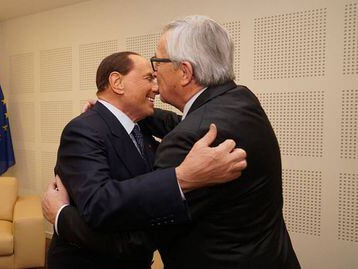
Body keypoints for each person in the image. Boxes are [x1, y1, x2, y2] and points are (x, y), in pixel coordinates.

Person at [46, 15, 302, 268]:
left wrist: (60, 216)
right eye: (148, 77)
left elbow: (136, 239)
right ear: (117, 82)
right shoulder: (241, 101)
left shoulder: (193, 139)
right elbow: (184, 122)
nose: (156, 83)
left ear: (185, 72)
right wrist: (119, 108)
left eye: (157, 64)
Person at [44, 51, 247, 269]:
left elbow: (189, 126)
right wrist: (61, 217)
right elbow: (98, 204)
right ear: (117, 82)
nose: (157, 88)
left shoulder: (140, 129)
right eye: (148, 78)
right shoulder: (83, 130)